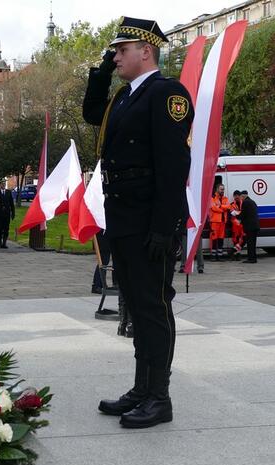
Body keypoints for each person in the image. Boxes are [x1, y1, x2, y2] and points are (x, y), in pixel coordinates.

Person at [83, 16, 193, 428]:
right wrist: (102, 71)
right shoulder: (125, 98)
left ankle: (158, 397)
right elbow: (93, 112)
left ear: (145, 51)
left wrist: (165, 228)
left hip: (149, 220)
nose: (116, 56)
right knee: (134, 306)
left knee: (153, 308)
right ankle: (141, 388)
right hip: (123, 216)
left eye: (121, 50)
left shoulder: (167, 95)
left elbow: (172, 166)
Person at [208, 183, 230, 261]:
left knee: (221, 239)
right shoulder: (212, 198)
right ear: (217, 189)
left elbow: (228, 207)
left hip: (223, 222)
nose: (222, 190)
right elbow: (213, 208)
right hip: (215, 221)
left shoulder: (225, 198)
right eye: (221, 189)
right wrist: (222, 209)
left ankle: (220, 255)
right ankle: (213, 256)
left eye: (223, 189)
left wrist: (220, 206)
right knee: (214, 239)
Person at [240, 190, 260, 263]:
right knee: (253, 243)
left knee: (250, 243)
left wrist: (238, 217)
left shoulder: (245, 202)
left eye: (241, 197)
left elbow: (243, 214)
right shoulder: (252, 201)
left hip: (250, 226)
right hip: (255, 226)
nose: (241, 199)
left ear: (243, 196)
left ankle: (251, 259)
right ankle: (253, 258)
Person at [229, 190, 245, 261]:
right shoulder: (232, 204)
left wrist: (237, 213)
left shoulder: (244, 203)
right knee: (235, 240)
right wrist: (240, 213)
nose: (236, 197)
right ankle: (235, 254)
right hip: (235, 225)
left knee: (241, 240)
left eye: (237, 195)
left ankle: (237, 253)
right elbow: (232, 213)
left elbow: (238, 213)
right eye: (235, 196)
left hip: (242, 224)